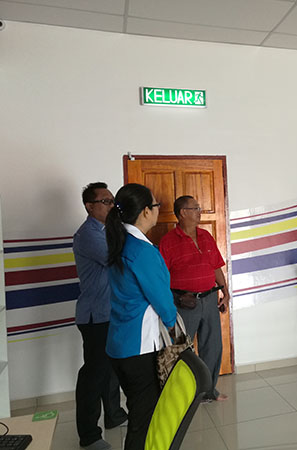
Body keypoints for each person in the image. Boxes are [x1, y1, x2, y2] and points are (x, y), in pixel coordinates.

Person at [105, 184, 177, 450]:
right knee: (144, 421)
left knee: (139, 412)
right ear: (146, 211)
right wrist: (173, 327)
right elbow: (163, 301)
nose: (158, 210)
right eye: (156, 206)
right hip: (140, 348)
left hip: (119, 345)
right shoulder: (142, 251)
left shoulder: (120, 242)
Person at [159, 195, 230, 402]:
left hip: (209, 298)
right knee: (182, 350)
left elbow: (215, 267)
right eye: (196, 208)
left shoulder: (206, 236)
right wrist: (171, 301)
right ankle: (182, 393)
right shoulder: (168, 242)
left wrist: (225, 292)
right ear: (183, 213)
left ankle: (208, 391)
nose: (200, 212)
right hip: (183, 302)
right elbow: (161, 277)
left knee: (213, 346)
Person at [73, 182, 127, 450]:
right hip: (95, 316)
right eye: (106, 202)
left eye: (112, 201)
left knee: (110, 370)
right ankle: (89, 436)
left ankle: (114, 415)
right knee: (93, 375)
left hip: (110, 312)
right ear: (89, 206)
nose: (112, 205)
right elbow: (115, 258)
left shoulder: (106, 230)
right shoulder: (88, 234)